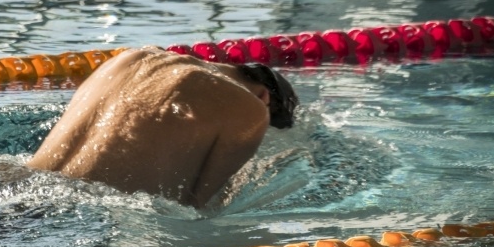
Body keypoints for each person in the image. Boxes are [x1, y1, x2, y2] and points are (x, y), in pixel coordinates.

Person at [27, 47, 298, 208]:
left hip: (17, 182)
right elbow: (198, 206)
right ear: (264, 97)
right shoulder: (250, 109)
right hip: (80, 212)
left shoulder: (132, 57)